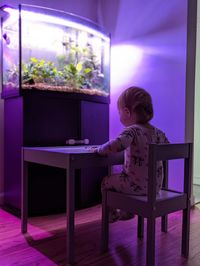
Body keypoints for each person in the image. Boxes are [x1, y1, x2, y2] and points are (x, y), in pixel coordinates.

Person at [96, 86, 169, 222]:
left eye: (119, 112)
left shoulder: (132, 130)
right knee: (125, 175)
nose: (119, 116)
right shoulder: (159, 133)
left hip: (135, 186)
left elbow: (117, 145)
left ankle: (112, 214)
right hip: (156, 187)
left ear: (127, 112)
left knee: (106, 182)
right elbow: (169, 151)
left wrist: (100, 149)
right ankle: (127, 211)